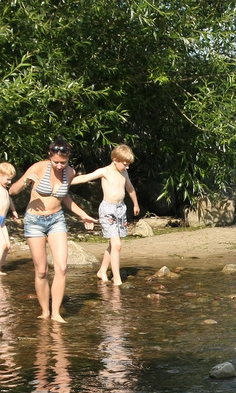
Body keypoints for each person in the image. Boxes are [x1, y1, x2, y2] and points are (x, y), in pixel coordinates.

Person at [10, 136, 97, 322]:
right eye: (56, 162)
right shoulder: (38, 168)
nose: (59, 166)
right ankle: (45, 311)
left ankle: (56, 313)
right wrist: (25, 183)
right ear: (50, 156)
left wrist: (83, 215)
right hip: (34, 221)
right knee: (41, 271)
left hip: (57, 220)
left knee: (62, 267)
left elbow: (65, 198)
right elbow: (12, 191)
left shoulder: (70, 172)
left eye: (63, 162)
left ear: (68, 159)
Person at [71, 144, 140, 285]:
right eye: (125, 164)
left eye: (128, 165)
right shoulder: (105, 171)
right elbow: (85, 178)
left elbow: (130, 188)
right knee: (117, 244)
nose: (127, 167)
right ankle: (117, 279)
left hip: (121, 208)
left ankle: (102, 271)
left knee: (114, 245)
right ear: (115, 160)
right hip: (108, 209)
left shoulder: (124, 173)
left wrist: (135, 203)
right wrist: (64, 182)